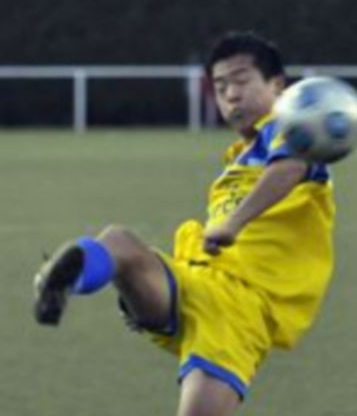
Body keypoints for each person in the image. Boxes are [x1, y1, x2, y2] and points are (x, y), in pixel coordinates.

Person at [33, 31, 336, 416]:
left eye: (241, 81)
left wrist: (232, 224)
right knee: (120, 242)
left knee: (122, 247)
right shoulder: (238, 159)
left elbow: (290, 168)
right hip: (200, 283)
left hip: (241, 305)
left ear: (278, 86)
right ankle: (66, 281)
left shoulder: (293, 132)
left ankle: (91, 278)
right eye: (220, 87)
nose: (231, 95)